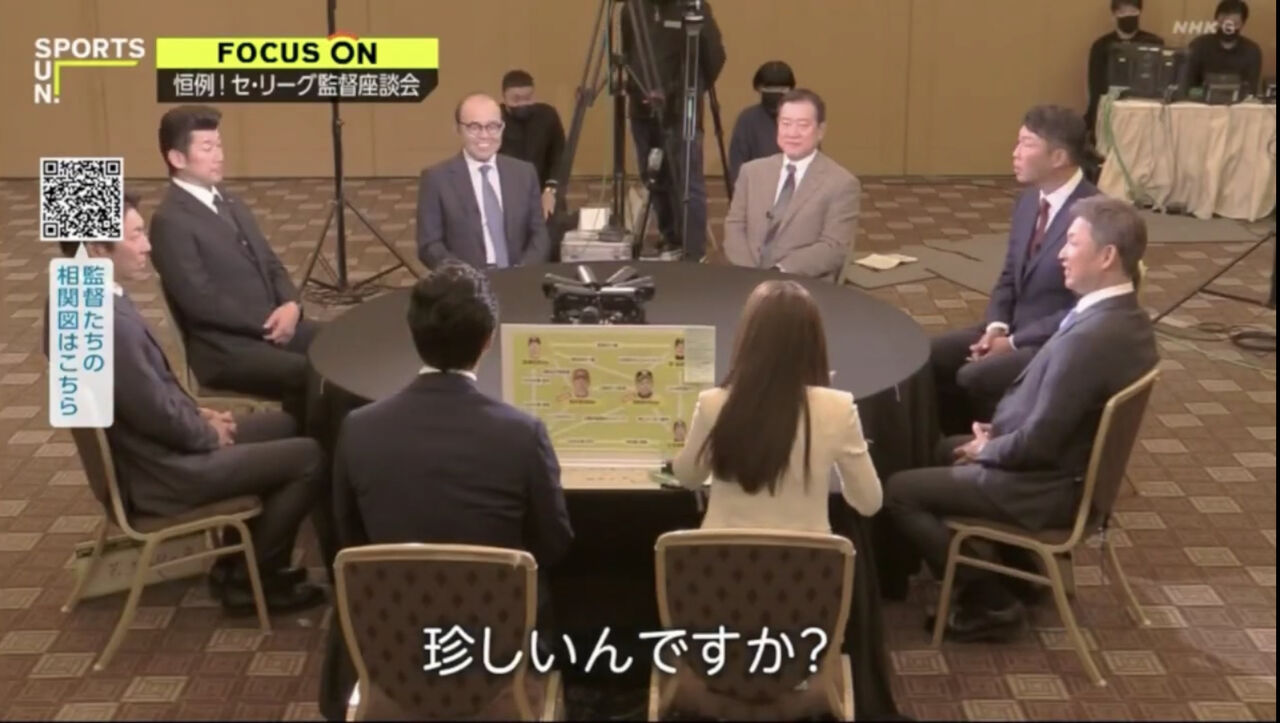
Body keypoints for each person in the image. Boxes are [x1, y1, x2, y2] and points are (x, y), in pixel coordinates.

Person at [886, 196, 1158, 641]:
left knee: (899, 492)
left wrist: (988, 448)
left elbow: (1038, 444)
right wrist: (997, 430)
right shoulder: (1129, 318)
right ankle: (1015, 568)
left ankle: (988, 598)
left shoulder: (1088, 340)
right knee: (938, 449)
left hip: (1042, 486)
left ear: (1107, 256)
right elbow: (1062, 415)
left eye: (1072, 243)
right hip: (1066, 470)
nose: (1061, 254)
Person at [53, 193, 326, 614]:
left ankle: (238, 564)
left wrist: (197, 412)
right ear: (97, 248)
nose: (148, 246)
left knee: (288, 425)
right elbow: (155, 413)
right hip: (162, 472)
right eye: (135, 235)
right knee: (310, 456)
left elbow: (144, 397)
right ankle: (256, 583)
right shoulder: (109, 323)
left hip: (151, 448)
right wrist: (207, 432)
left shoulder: (75, 296)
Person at [323, 262, 573, 720]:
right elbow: (553, 544)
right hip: (498, 650)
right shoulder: (522, 433)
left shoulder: (358, 429)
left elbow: (349, 539)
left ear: (412, 333)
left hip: (392, 642)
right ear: (488, 339)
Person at [931, 105, 1098, 436]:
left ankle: (990, 447)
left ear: (1058, 157)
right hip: (1012, 327)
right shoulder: (1027, 201)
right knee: (931, 354)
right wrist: (996, 326)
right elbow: (1009, 275)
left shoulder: (1095, 216)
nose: (1015, 153)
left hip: (1055, 341)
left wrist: (1014, 342)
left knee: (972, 375)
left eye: (1026, 144)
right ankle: (948, 446)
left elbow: (1086, 308)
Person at [148, 105, 320, 425]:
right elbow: (201, 301)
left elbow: (271, 262)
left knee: (339, 346)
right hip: (226, 348)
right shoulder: (169, 221)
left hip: (273, 325)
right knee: (311, 372)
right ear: (177, 158)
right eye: (207, 148)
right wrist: (269, 324)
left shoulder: (230, 201)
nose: (219, 156)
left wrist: (292, 305)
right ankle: (313, 445)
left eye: (220, 145)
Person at [671, 280, 881, 531]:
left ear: (748, 338)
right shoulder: (838, 408)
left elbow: (688, 476)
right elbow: (869, 502)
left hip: (724, 553)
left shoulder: (712, 403)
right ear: (814, 341)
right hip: (807, 555)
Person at [621, 0, 726, 261]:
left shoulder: (693, 6)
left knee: (686, 179)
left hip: (681, 110)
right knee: (652, 176)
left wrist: (685, 91)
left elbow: (714, 57)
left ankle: (693, 251)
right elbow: (628, 52)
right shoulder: (632, 8)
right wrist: (638, 88)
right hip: (641, 108)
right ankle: (670, 238)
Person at [723, 89, 860, 280]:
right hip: (746, 277)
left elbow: (833, 247)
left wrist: (778, 272)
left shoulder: (841, 183)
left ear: (820, 130)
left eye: (803, 125)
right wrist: (750, 273)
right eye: (785, 124)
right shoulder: (751, 172)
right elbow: (735, 225)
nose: (792, 133)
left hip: (802, 283)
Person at [415, 93, 552, 270]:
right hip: (465, 281)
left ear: (502, 128)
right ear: (458, 129)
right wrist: (465, 276)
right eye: (474, 127)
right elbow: (429, 245)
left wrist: (523, 271)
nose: (484, 135)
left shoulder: (524, 173)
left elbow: (539, 234)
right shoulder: (436, 179)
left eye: (492, 126)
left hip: (518, 276)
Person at [1085, 0, 1163, 138]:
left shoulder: (1153, 43)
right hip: (1110, 112)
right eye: (1123, 12)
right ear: (1114, 15)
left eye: (1133, 11)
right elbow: (1095, 87)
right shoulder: (1101, 46)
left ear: (1140, 13)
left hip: (1144, 112)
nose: (1128, 15)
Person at [498, 69, 566, 221]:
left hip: (545, 192)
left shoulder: (548, 115)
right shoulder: (495, 119)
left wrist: (550, 189)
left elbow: (559, 155)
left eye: (528, 98)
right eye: (516, 99)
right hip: (506, 196)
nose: (522, 103)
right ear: (504, 97)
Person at [728, 60, 795, 189]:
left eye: (781, 90)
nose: (775, 97)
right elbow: (737, 169)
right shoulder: (747, 119)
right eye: (769, 90)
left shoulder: (801, 117)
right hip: (757, 192)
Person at [1186, 0, 1263, 95]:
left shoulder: (1252, 51)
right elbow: (1188, 87)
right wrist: (1206, 94)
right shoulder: (1198, 45)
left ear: (1242, 24)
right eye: (1224, 23)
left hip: (1238, 102)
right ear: (1216, 20)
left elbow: (1251, 91)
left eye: (1234, 23)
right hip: (1201, 101)